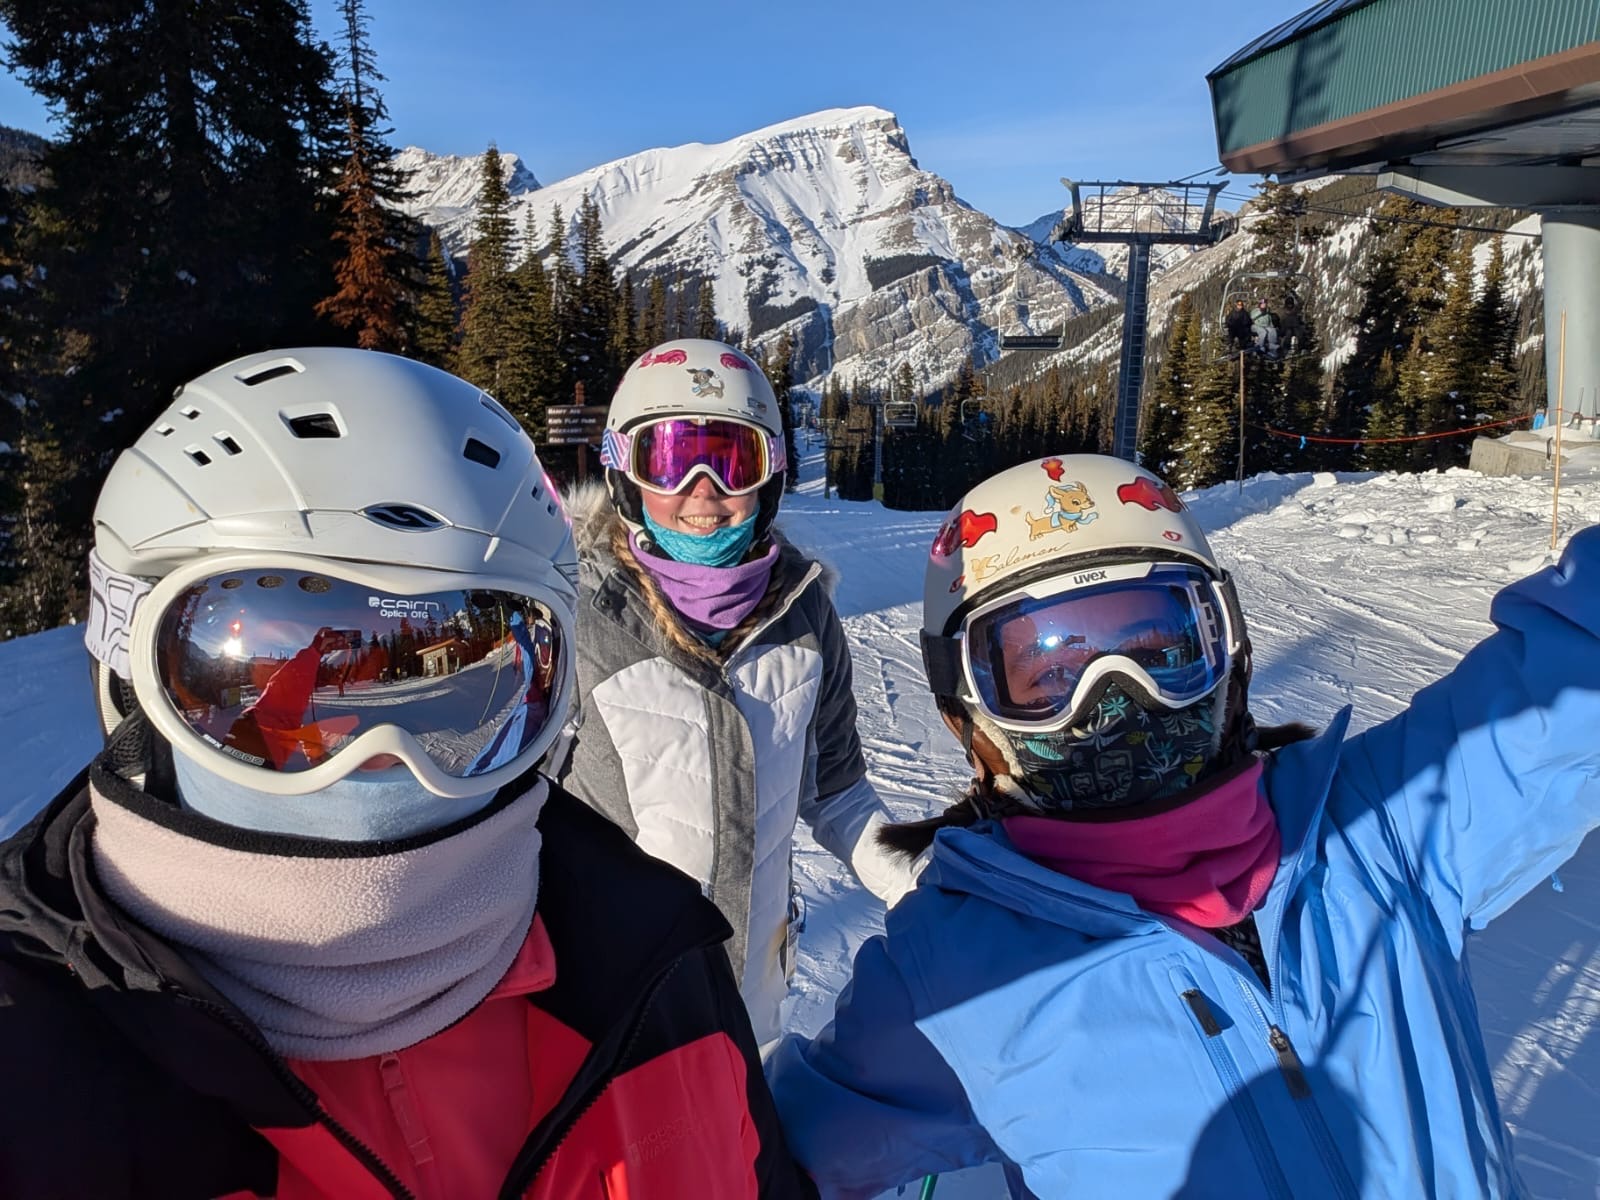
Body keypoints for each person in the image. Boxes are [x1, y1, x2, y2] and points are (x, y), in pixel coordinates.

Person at [0, 347, 813, 1199]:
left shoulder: (662, 975)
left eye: (470, 665)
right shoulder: (36, 1061)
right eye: (263, 649)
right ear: (129, 675)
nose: (381, 755)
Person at [768, 452, 1600, 1199]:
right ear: (968, 713)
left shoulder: (1383, 828)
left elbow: (1574, 674)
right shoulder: (955, 980)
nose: (1114, 698)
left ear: (1229, 650)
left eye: (1160, 645)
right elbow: (767, 1162)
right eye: (1049, 672)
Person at [555, 337, 920, 1048]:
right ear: (625, 473)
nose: (703, 489)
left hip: (750, 1002)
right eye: (670, 460)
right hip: (607, 1016)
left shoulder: (804, 618)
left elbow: (838, 794)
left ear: (770, 476)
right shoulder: (575, 617)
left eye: (732, 461)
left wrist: (919, 880)